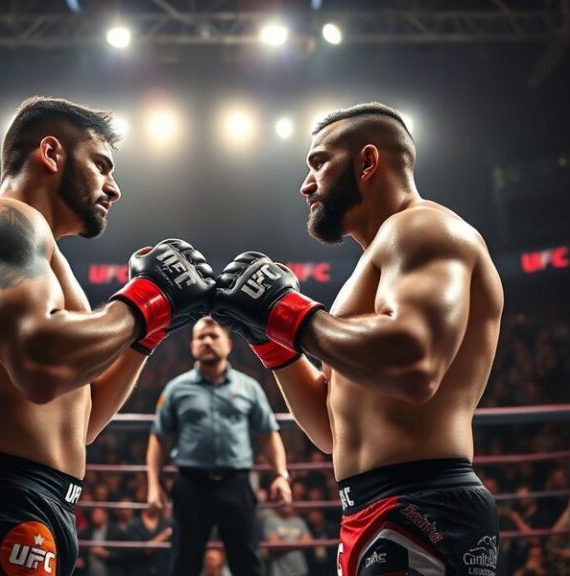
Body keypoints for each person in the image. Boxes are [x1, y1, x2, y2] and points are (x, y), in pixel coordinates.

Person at [0, 96, 214, 575]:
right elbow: (39, 364)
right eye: (101, 165)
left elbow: (82, 417)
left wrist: (148, 331)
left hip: (37, 499)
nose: (114, 189)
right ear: (50, 154)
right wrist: (145, 300)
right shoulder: (2, 221)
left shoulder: (47, 258)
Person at [213, 102, 504, 575]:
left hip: (424, 503)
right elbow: (330, 430)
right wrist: (271, 341)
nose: (306, 184)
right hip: (369, 507)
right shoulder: (373, 267)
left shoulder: (424, 228)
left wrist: (289, 314)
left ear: (368, 162)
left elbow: (415, 365)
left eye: (319, 162)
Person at [146, 316, 292, 576]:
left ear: (228, 344)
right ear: (192, 346)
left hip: (235, 483)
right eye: (201, 336)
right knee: (183, 561)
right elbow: (159, 437)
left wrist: (281, 475)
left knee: (247, 561)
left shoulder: (249, 387)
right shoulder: (176, 389)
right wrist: (154, 486)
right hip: (191, 484)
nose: (207, 341)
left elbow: (269, 434)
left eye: (214, 336)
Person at [263, 503, 312, 576]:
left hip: (300, 570)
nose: (285, 505)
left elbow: (308, 543)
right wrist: (298, 541)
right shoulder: (271, 521)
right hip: (279, 572)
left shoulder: (299, 521)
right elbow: (275, 545)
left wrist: (283, 540)